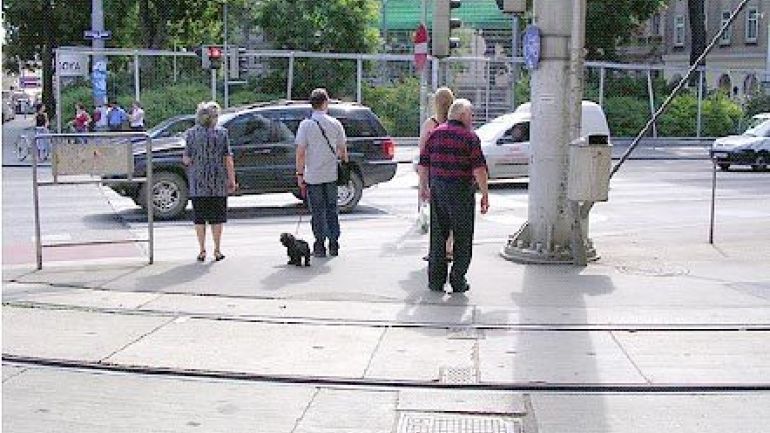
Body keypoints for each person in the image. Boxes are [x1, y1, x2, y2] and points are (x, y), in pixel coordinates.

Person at [418, 99, 489, 294]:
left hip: (438, 189)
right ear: (462, 115)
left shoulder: (435, 134)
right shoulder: (470, 137)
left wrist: (423, 187)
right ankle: (458, 279)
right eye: (471, 114)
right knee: (463, 236)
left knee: (438, 235)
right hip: (461, 190)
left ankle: (435, 280)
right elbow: (479, 169)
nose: (473, 118)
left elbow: (423, 164)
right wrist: (484, 194)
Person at [295, 88, 349, 257]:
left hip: (313, 176)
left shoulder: (305, 125)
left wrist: (299, 174)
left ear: (312, 104)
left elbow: (301, 152)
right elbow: (342, 151)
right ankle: (334, 243)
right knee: (332, 209)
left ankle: (319, 245)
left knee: (317, 211)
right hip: (331, 175)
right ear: (325, 103)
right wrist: (342, 164)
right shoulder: (335, 123)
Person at [182, 101, 238, 262]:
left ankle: (202, 250)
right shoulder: (222, 134)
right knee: (217, 218)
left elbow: (186, 158)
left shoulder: (191, 134)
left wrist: (192, 160)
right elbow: (228, 159)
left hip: (198, 182)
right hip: (218, 181)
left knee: (200, 218)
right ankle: (218, 250)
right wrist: (232, 180)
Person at [418, 87, 455, 262]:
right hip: (456, 177)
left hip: (436, 176)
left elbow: (423, 155)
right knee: (453, 215)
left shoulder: (430, 124)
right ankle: (449, 248)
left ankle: (437, 251)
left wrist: (422, 184)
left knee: (437, 216)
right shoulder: (458, 124)